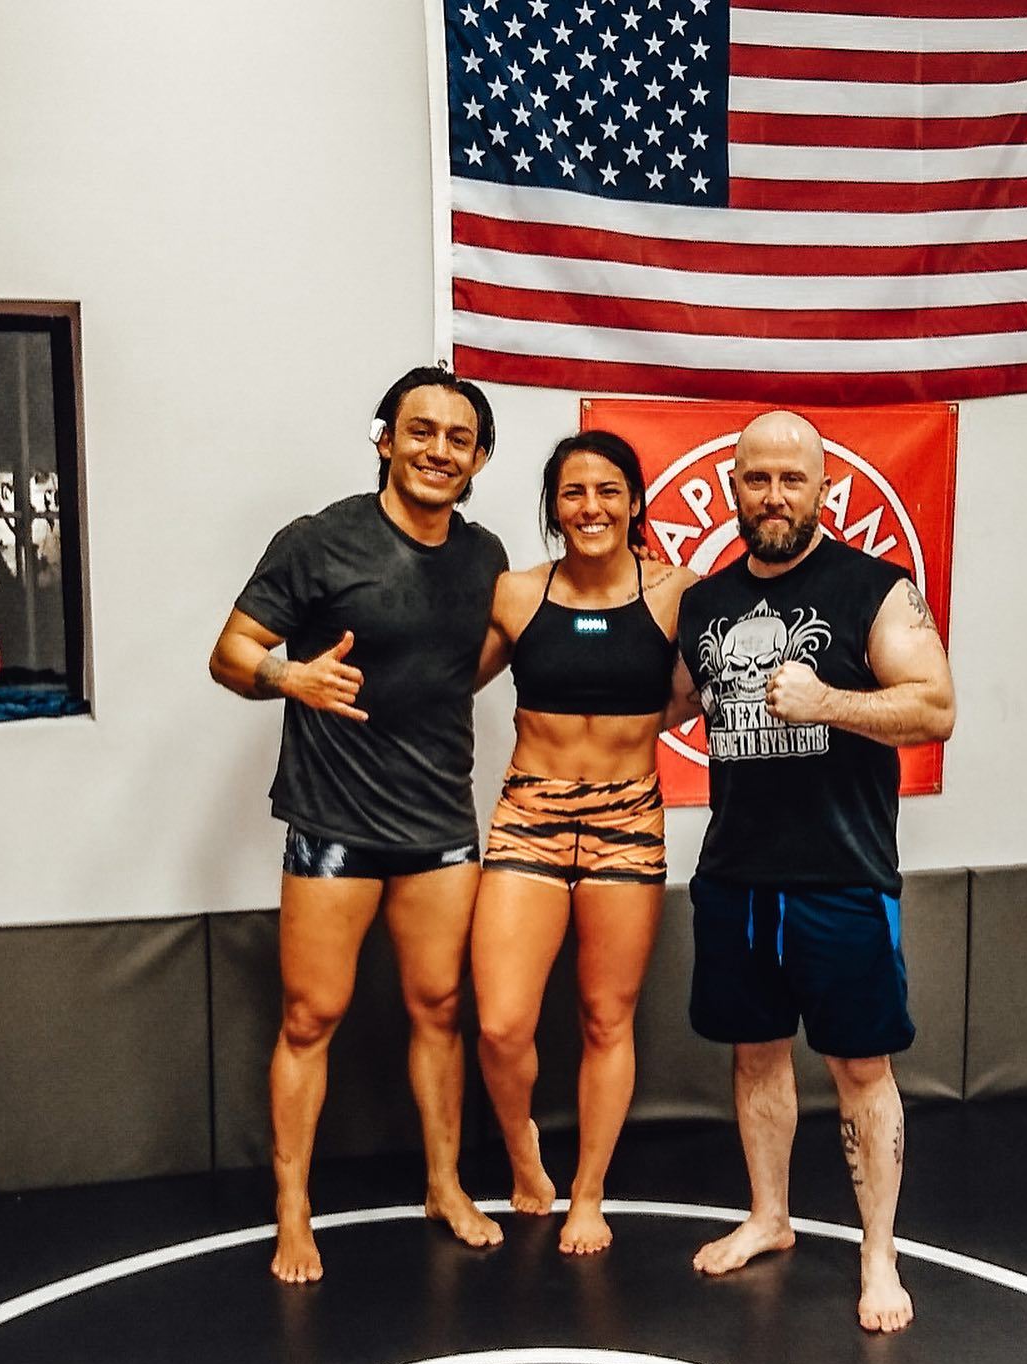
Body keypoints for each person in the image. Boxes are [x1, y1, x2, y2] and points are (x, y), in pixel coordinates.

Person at [209, 366, 508, 1283]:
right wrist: (288, 676)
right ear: (385, 439)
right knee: (311, 1015)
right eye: (420, 431)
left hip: (438, 822)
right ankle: (293, 1210)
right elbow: (230, 652)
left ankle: (445, 1186)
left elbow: (470, 660)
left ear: (478, 460)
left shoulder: (486, 556)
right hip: (333, 818)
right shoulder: (319, 540)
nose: (438, 450)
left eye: (458, 439)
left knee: (440, 1007)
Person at [669, 409, 955, 1332]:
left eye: (792, 478)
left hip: (841, 873)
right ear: (732, 486)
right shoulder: (707, 602)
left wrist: (827, 699)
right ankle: (770, 1215)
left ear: (824, 487)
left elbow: (936, 707)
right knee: (755, 1052)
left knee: (860, 1065)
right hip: (736, 873)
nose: (774, 495)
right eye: (757, 478)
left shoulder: (875, 588)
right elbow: (662, 702)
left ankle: (879, 1253)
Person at [472, 431, 696, 1255]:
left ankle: (589, 1191)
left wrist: (632, 729)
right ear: (554, 505)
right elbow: (443, 679)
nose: (591, 506)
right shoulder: (516, 593)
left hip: (627, 820)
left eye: (608, 490)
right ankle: (523, 1148)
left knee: (606, 1017)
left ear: (634, 501)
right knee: (502, 1024)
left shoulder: (677, 593)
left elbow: (698, 692)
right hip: (530, 812)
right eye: (573, 492)